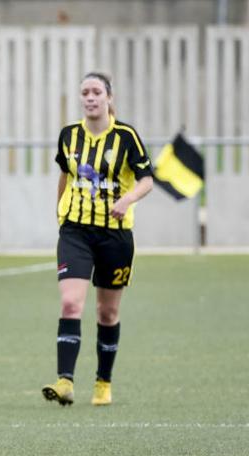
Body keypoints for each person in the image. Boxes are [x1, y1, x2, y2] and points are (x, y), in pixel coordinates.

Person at [41, 72, 153, 407]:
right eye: (85, 92)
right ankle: (65, 381)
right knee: (71, 303)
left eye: (96, 92)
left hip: (115, 236)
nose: (90, 98)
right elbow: (65, 175)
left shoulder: (126, 136)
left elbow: (147, 179)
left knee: (106, 312)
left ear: (109, 97)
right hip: (75, 231)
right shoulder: (69, 135)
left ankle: (103, 382)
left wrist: (128, 199)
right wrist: (60, 213)